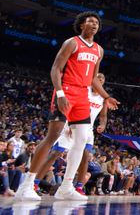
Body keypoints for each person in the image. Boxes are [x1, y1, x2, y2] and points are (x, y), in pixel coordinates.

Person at [16, 11, 119, 202]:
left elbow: (92, 79)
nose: (94, 24)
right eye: (90, 21)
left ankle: (66, 187)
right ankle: (27, 184)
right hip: (66, 91)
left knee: (80, 141)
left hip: (82, 96)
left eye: (97, 22)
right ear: (82, 25)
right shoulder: (72, 43)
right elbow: (56, 68)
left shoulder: (99, 50)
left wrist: (106, 96)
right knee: (52, 136)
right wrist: (61, 93)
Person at [34, 72, 109, 196]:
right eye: (98, 77)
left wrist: (103, 124)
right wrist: (69, 123)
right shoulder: (84, 91)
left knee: (85, 156)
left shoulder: (103, 98)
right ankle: (35, 183)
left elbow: (103, 116)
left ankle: (78, 187)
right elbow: (71, 106)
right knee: (55, 153)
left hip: (88, 129)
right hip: (71, 124)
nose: (100, 79)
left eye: (102, 78)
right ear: (93, 80)